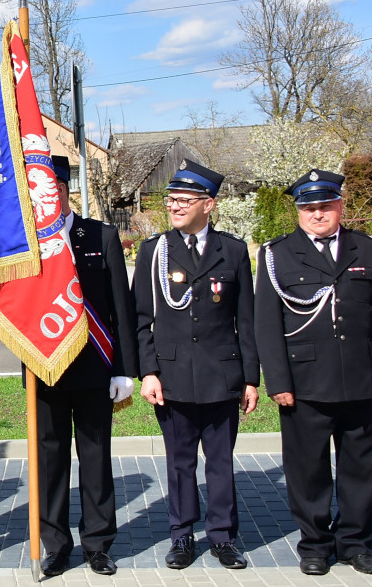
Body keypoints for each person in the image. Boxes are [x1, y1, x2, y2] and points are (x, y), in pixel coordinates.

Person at [133, 160, 259, 571]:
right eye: (171, 200)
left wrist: (251, 379)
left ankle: (223, 536)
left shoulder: (234, 250)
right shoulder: (154, 251)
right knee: (179, 462)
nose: (174, 207)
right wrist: (148, 371)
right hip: (171, 377)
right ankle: (182, 536)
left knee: (221, 462)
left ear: (209, 204)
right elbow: (141, 319)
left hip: (222, 375)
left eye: (184, 201)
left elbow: (247, 320)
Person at [255, 170, 372, 576]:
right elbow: (267, 325)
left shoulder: (365, 248)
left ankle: (356, 540)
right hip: (304, 383)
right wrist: (279, 383)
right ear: (298, 211)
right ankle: (316, 544)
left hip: (361, 378)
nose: (317, 214)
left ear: (340, 206)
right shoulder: (277, 254)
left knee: (361, 468)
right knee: (308, 471)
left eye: (325, 205)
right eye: (309, 207)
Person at [36, 157, 137, 577]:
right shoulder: (28, 242)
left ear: (66, 190)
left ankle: (98, 543)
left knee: (95, 458)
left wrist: (124, 370)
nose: (50, 195)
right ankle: (55, 545)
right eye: (42, 190)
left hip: (96, 366)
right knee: (50, 461)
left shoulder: (100, 235)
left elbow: (121, 308)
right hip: (46, 368)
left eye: (56, 187)